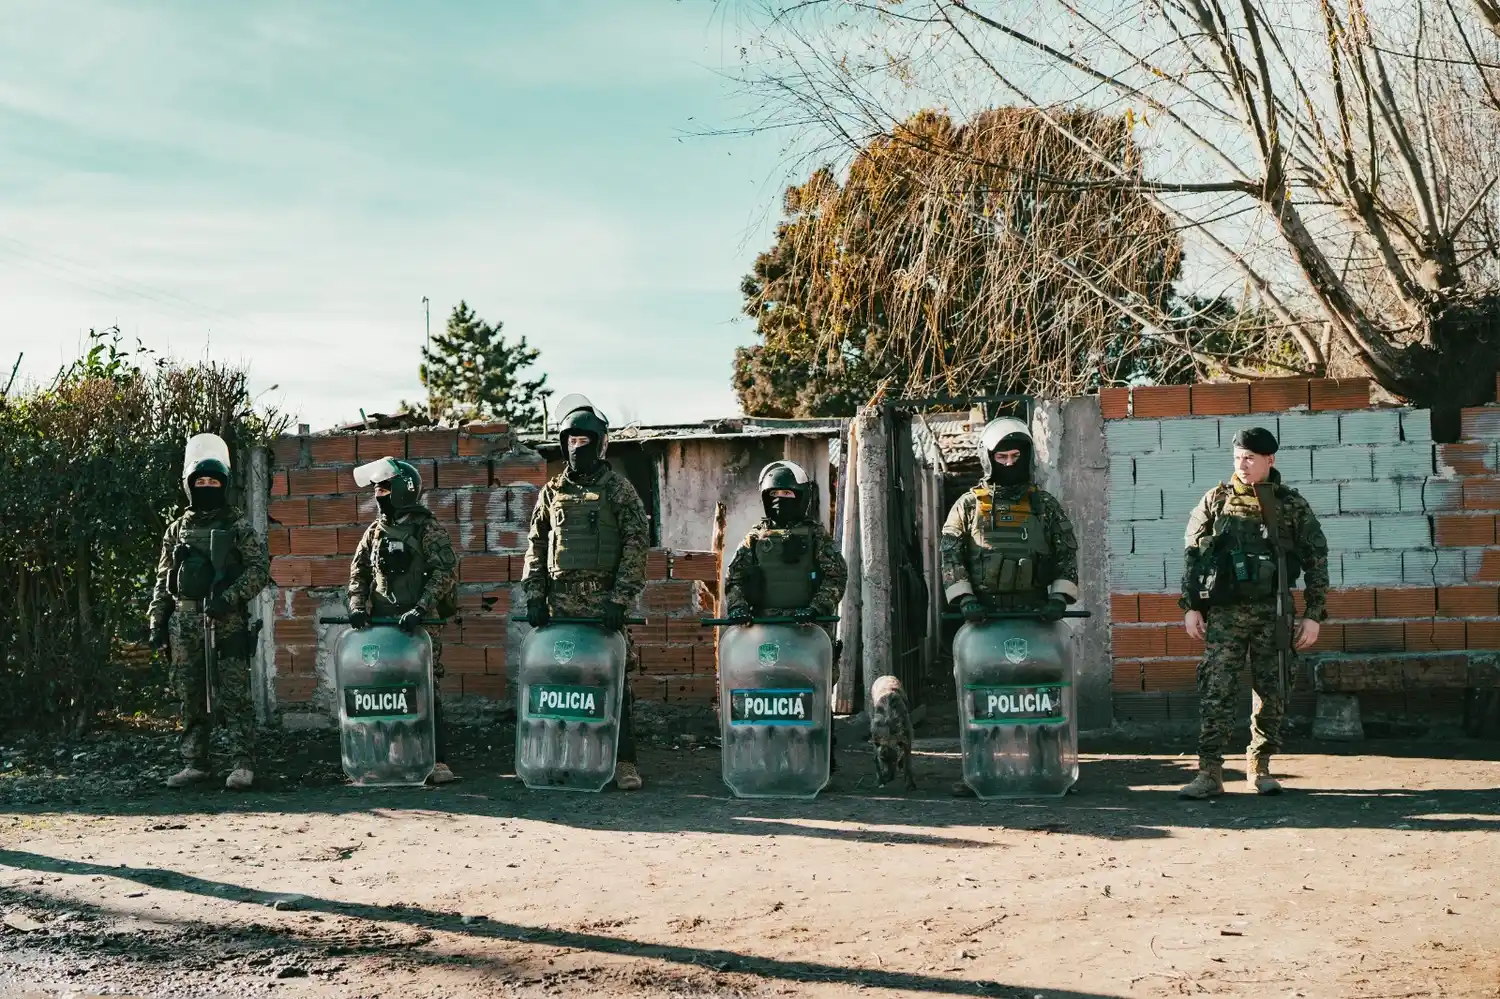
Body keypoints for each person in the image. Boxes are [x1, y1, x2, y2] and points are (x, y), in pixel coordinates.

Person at [1178, 426, 1329, 799]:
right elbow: (1193, 557)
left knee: (1273, 688)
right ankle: (1209, 773)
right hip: (1225, 614)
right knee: (1217, 689)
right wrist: (1192, 606)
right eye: (1237, 458)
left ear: (1269, 460)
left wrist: (1313, 614)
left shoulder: (1290, 504)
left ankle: (1260, 767)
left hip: (1273, 610)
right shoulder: (1216, 500)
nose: (1242, 465)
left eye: (1249, 458)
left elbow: (1316, 560)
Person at [940, 416, 1080, 797]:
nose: (1009, 463)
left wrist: (1059, 597)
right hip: (984, 623)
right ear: (988, 459)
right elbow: (951, 556)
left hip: (1035, 619)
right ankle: (980, 772)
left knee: (1039, 699)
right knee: (984, 702)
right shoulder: (967, 507)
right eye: (1001, 456)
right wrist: (965, 598)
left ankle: (1047, 769)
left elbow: (1067, 554)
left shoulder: (1044, 506)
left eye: (1016, 455)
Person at [521, 394, 651, 790]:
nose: (577, 449)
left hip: (603, 602)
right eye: (570, 442)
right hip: (559, 602)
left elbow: (635, 543)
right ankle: (565, 757)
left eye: (584, 441)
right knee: (562, 683)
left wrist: (620, 598)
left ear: (599, 443)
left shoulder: (618, 490)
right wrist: (534, 595)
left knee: (612, 681)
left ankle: (624, 762)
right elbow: (536, 545)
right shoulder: (551, 492)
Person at [148, 434, 271, 791]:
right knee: (189, 693)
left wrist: (228, 599)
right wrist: (157, 618)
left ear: (224, 485)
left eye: (213, 482)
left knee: (233, 692)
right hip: (185, 621)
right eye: (200, 482)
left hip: (225, 620)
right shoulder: (177, 529)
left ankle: (242, 763)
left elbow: (258, 570)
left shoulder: (237, 526)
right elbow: (163, 578)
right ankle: (195, 763)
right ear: (189, 486)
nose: (206, 487)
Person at [723, 460, 848, 770]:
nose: (780, 498)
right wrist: (738, 607)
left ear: (802, 496)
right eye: (774, 493)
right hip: (765, 632)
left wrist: (817, 608)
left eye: (787, 493)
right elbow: (734, 577)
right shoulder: (754, 537)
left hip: (806, 632)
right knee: (768, 697)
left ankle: (819, 762)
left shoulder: (817, 536)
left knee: (810, 698)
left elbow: (836, 577)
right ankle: (767, 761)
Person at [347, 456, 459, 785]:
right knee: (386, 689)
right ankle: (388, 758)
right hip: (383, 624)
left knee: (425, 687)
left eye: (384, 487)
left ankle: (436, 760)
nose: (378, 495)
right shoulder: (373, 533)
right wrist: (356, 604)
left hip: (420, 626)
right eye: (376, 489)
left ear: (401, 490)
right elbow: (359, 573)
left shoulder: (428, 528)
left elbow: (445, 573)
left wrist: (422, 608)